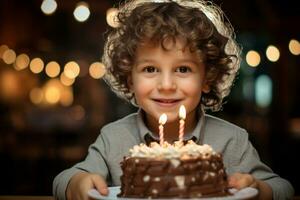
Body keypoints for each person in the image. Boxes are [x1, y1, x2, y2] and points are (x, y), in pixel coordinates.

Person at [53, 0, 294, 199]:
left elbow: (284, 188)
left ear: (207, 77)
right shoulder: (113, 138)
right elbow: (62, 181)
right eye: (150, 69)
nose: (166, 85)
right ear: (129, 79)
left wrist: (259, 189)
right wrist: (77, 183)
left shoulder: (232, 141)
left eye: (183, 70)